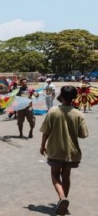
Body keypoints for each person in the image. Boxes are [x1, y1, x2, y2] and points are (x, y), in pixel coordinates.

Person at [40, 86, 88, 215]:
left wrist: (42, 145)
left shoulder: (53, 111)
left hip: (55, 150)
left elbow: (46, 131)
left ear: (61, 95)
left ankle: (62, 198)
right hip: (71, 152)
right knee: (66, 176)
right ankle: (63, 204)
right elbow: (83, 134)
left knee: (55, 175)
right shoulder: (78, 113)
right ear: (74, 97)